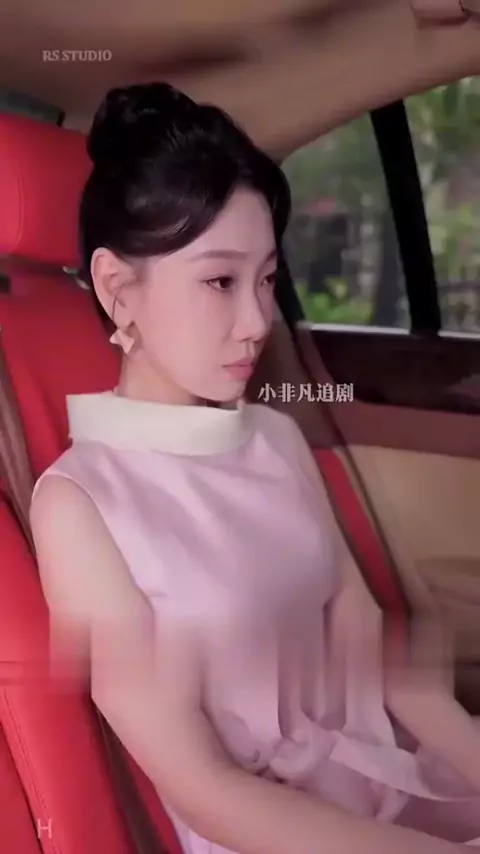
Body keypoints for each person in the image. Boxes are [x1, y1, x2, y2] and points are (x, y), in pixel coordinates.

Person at [30, 82, 480, 854]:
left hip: (386, 783)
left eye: (267, 279)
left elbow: (376, 659)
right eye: (220, 281)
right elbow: (206, 789)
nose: (256, 321)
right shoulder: (79, 505)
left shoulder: (273, 438)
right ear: (116, 288)